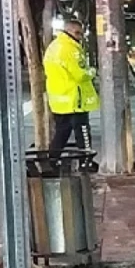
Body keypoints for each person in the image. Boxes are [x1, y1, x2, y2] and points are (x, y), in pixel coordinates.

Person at [43, 18, 99, 170]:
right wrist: (92, 71)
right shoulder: (70, 49)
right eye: (77, 33)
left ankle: (52, 161)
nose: (80, 36)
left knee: (62, 131)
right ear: (68, 31)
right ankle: (85, 162)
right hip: (75, 99)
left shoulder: (54, 47)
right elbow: (80, 74)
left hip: (59, 99)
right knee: (83, 131)